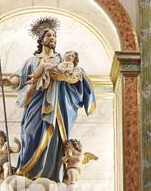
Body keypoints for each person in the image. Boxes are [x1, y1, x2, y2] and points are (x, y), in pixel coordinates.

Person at [10, 17, 95, 182]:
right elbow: (20, 79)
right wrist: (9, 81)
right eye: (49, 36)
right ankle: (26, 175)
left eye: (54, 36)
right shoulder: (32, 61)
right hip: (35, 103)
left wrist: (66, 77)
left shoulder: (61, 59)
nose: (53, 38)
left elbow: (75, 75)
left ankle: (52, 179)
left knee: (54, 138)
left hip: (56, 106)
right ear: (41, 40)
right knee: (29, 133)